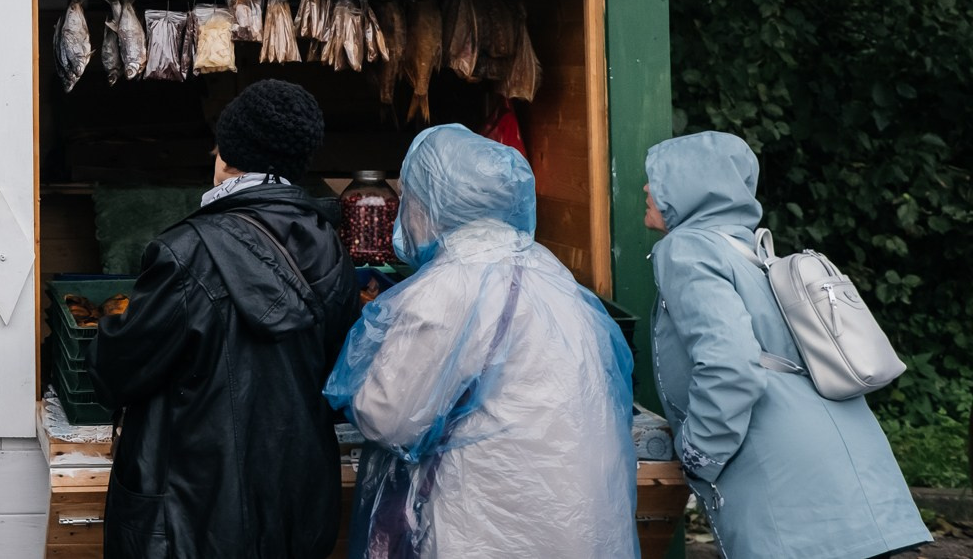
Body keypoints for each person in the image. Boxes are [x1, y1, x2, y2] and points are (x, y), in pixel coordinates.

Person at [326, 123, 638, 559]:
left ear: (429, 206)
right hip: (579, 526)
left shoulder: (448, 287)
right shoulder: (553, 274)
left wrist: (354, 381)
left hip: (486, 527)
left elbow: (387, 417)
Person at [87, 79, 360, 559]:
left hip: (192, 512)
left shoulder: (188, 251)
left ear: (227, 156)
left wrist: (108, 334)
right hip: (297, 502)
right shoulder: (332, 248)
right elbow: (336, 372)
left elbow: (116, 373)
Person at [646, 131, 930, 559]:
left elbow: (731, 368)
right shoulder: (751, 249)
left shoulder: (686, 250)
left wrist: (696, 455)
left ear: (691, 186)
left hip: (793, 499)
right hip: (854, 483)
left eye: (660, 178)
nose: (648, 189)